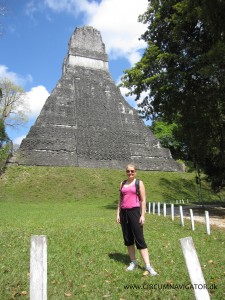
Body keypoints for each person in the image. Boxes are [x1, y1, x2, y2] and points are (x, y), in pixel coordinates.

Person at [116, 164, 157, 276]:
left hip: (135, 212)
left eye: (132, 171)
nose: (130, 173)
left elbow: (143, 200)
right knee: (128, 239)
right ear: (126, 172)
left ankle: (148, 265)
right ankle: (133, 262)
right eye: (128, 171)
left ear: (135, 172)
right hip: (124, 213)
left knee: (139, 239)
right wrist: (118, 214)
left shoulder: (139, 183)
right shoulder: (122, 183)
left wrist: (142, 215)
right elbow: (120, 200)